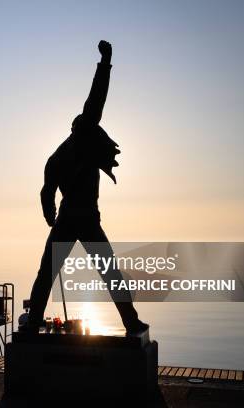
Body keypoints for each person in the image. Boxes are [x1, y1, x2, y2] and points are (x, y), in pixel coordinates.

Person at [26, 40, 148, 335]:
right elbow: (97, 98)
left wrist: (50, 217)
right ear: (80, 129)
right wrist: (105, 62)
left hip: (70, 219)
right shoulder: (76, 145)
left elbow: (46, 192)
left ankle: (32, 323)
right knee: (109, 273)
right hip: (84, 219)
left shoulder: (55, 157)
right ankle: (130, 321)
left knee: (51, 273)